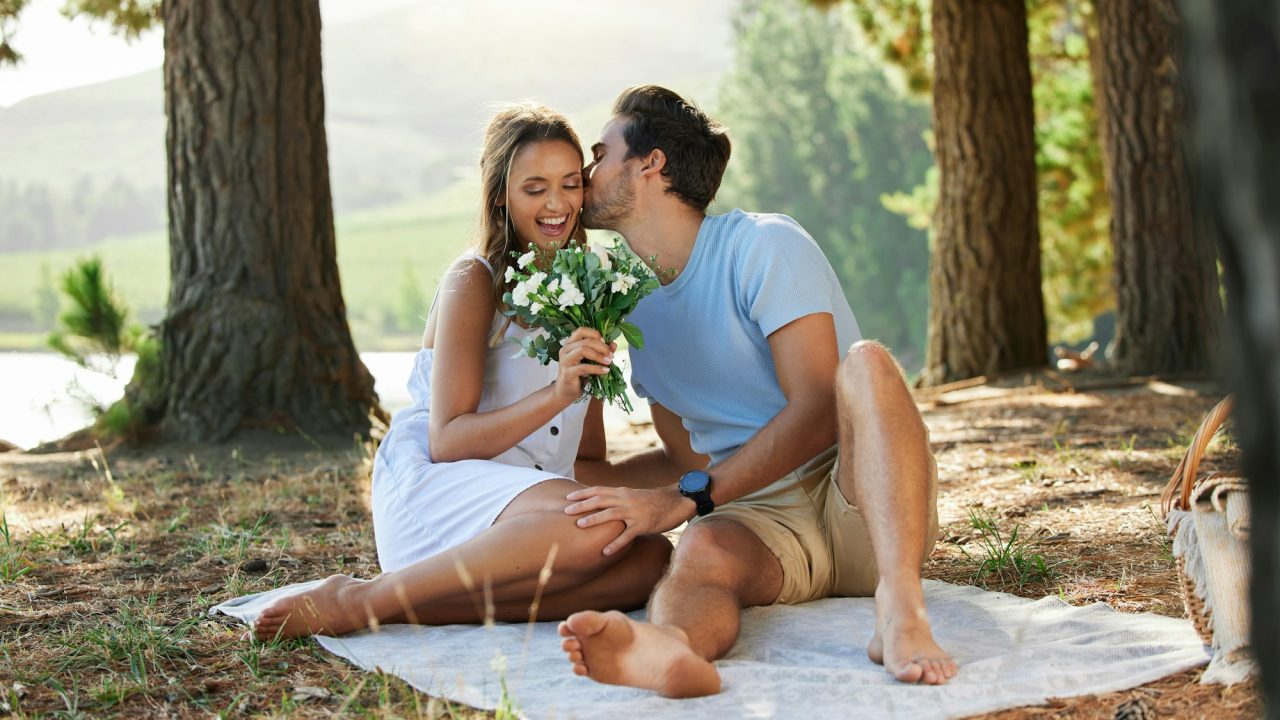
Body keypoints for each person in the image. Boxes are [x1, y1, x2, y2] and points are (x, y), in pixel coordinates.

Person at [556, 85, 957, 697]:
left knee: (867, 364)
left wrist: (683, 499)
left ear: (650, 164)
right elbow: (687, 462)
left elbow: (819, 412)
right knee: (701, 551)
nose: (586, 173)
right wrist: (569, 491)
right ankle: (671, 652)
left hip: (861, 495)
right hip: (760, 522)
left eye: (600, 153)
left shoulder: (763, 245)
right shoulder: (633, 308)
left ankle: (900, 607)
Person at [253, 105, 673, 640]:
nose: (557, 203)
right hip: (440, 490)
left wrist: (684, 484)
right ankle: (359, 600)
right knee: (601, 525)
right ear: (500, 194)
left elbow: (584, 462)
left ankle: (412, 609)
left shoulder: (585, 293)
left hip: (528, 514)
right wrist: (558, 392)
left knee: (651, 556)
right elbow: (448, 440)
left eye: (571, 184)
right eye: (535, 188)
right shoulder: (474, 280)